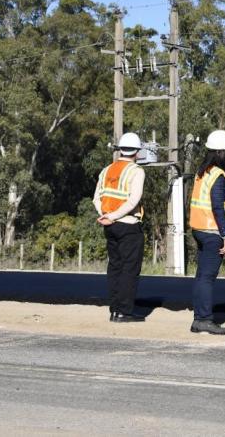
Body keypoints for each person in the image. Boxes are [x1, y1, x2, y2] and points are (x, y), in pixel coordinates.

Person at [187, 130, 225, 335]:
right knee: (207, 278)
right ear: (221, 152)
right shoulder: (218, 175)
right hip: (213, 232)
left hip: (200, 229)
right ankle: (204, 319)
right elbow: (218, 207)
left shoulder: (203, 172)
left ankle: (198, 319)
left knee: (201, 276)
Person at [94, 132, 146, 323]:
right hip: (128, 224)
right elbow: (134, 200)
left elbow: (96, 198)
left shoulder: (107, 170)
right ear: (137, 151)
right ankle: (124, 312)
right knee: (129, 269)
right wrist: (114, 216)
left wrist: (106, 215)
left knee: (115, 267)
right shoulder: (136, 171)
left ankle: (115, 310)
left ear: (120, 149)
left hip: (110, 225)